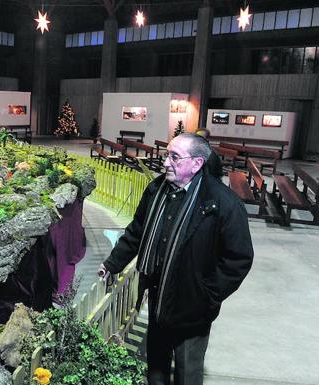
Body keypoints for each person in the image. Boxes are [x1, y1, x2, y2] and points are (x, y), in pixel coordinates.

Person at [97, 133, 253, 385]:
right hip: (159, 296)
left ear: (197, 164)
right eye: (166, 155)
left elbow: (239, 259)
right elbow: (138, 230)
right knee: (156, 368)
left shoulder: (221, 203)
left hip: (194, 306)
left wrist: (207, 293)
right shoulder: (157, 189)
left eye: (174, 157)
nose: (166, 162)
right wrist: (113, 263)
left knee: (187, 372)